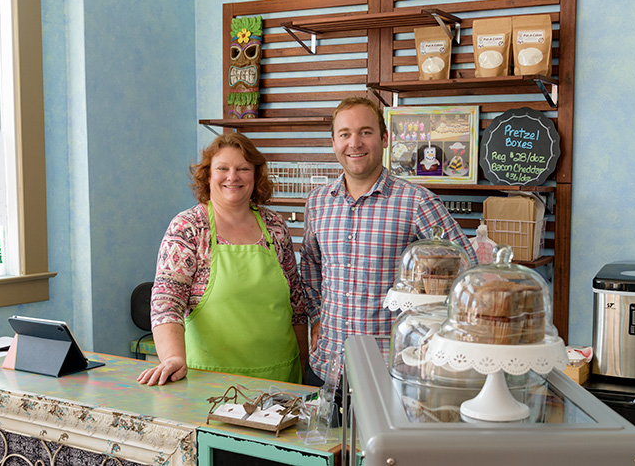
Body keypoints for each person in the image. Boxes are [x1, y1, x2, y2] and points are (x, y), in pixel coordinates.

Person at [300, 96, 477, 388]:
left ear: (384, 138)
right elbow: (310, 266)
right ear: (334, 142)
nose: (354, 143)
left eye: (365, 132)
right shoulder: (318, 202)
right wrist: (317, 317)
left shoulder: (417, 202)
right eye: (345, 134)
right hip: (327, 368)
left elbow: (467, 267)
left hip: (391, 369)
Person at [138, 132, 308, 386]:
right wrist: (172, 357)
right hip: (209, 381)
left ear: (255, 175)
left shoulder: (275, 226)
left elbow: (296, 304)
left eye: (243, 168)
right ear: (208, 176)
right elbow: (166, 303)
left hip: (280, 378)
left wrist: (304, 367)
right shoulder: (189, 227)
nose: (233, 176)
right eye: (223, 168)